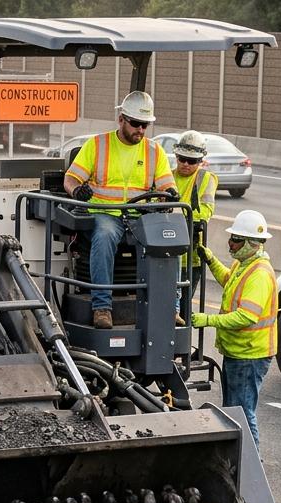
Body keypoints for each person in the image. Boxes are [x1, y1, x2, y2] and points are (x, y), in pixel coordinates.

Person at [64, 91, 176, 329]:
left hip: (140, 217)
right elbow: (71, 179)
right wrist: (77, 192)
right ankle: (102, 308)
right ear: (121, 119)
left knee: (168, 238)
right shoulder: (97, 145)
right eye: (136, 124)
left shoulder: (155, 152)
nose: (140, 130)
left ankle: (166, 306)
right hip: (106, 214)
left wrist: (170, 195)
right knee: (104, 237)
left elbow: (168, 186)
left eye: (145, 125)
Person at [191, 209, 278, 448]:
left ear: (254, 243)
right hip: (238, 351)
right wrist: (210, 259)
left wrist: (206, 320)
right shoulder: (244, 264)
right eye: (232, 238)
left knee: (242, 412)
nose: (230, 243)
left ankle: (252, 462)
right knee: (233, 410)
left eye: (236, 240)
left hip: (250, 355)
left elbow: (246, 317)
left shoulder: (260, 274)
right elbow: (228, 279)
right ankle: (240, 461)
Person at [171, 130, 217, 311]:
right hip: (164, 253)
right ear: (176, 156)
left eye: (192, 161)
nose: (185, 164)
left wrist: (174, 214)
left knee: (182, 309)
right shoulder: (166, 175)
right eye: (182, 158)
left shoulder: (205, 179)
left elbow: (205, 212)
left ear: (200, 161)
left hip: (190, 258)